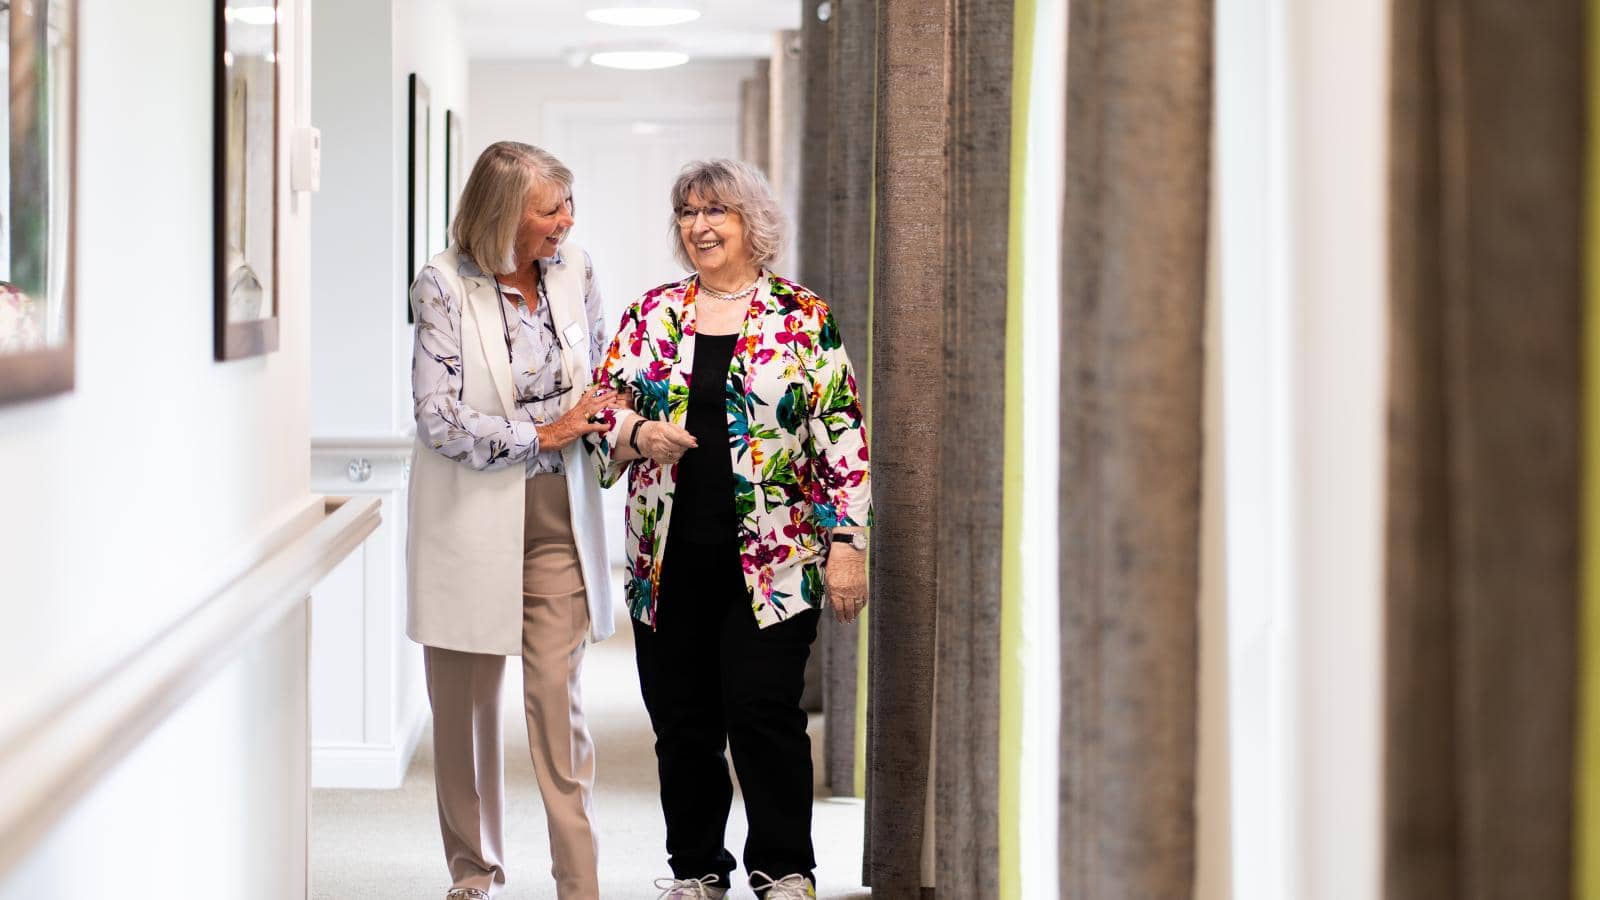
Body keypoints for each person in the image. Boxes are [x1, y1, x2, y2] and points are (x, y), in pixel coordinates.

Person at [585, 158, 873, 900]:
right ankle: (697, 869)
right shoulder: (652, 313)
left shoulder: (802, 315)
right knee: (682, 724)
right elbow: (597, 414)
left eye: (716, 211)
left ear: (754, 223)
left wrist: (848, 544)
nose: (699, 226)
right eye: (687, 213)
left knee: (764, 715)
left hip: (775, 561)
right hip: (667, 556)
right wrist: (637, 432)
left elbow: (840, 433)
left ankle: (784, 868)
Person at [406, 140, 624, 900]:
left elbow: (595, 382)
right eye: (549, 209)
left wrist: (601, 417)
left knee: (556, 705)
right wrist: (546, 431)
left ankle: (579, 880)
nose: (565, 222)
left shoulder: (576, 272)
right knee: (464, 710)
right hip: (467, 519)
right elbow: (438, 418)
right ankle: (474, 871)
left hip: (556, 515)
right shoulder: (442, 283)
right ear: (504, 212)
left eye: (568, 205)